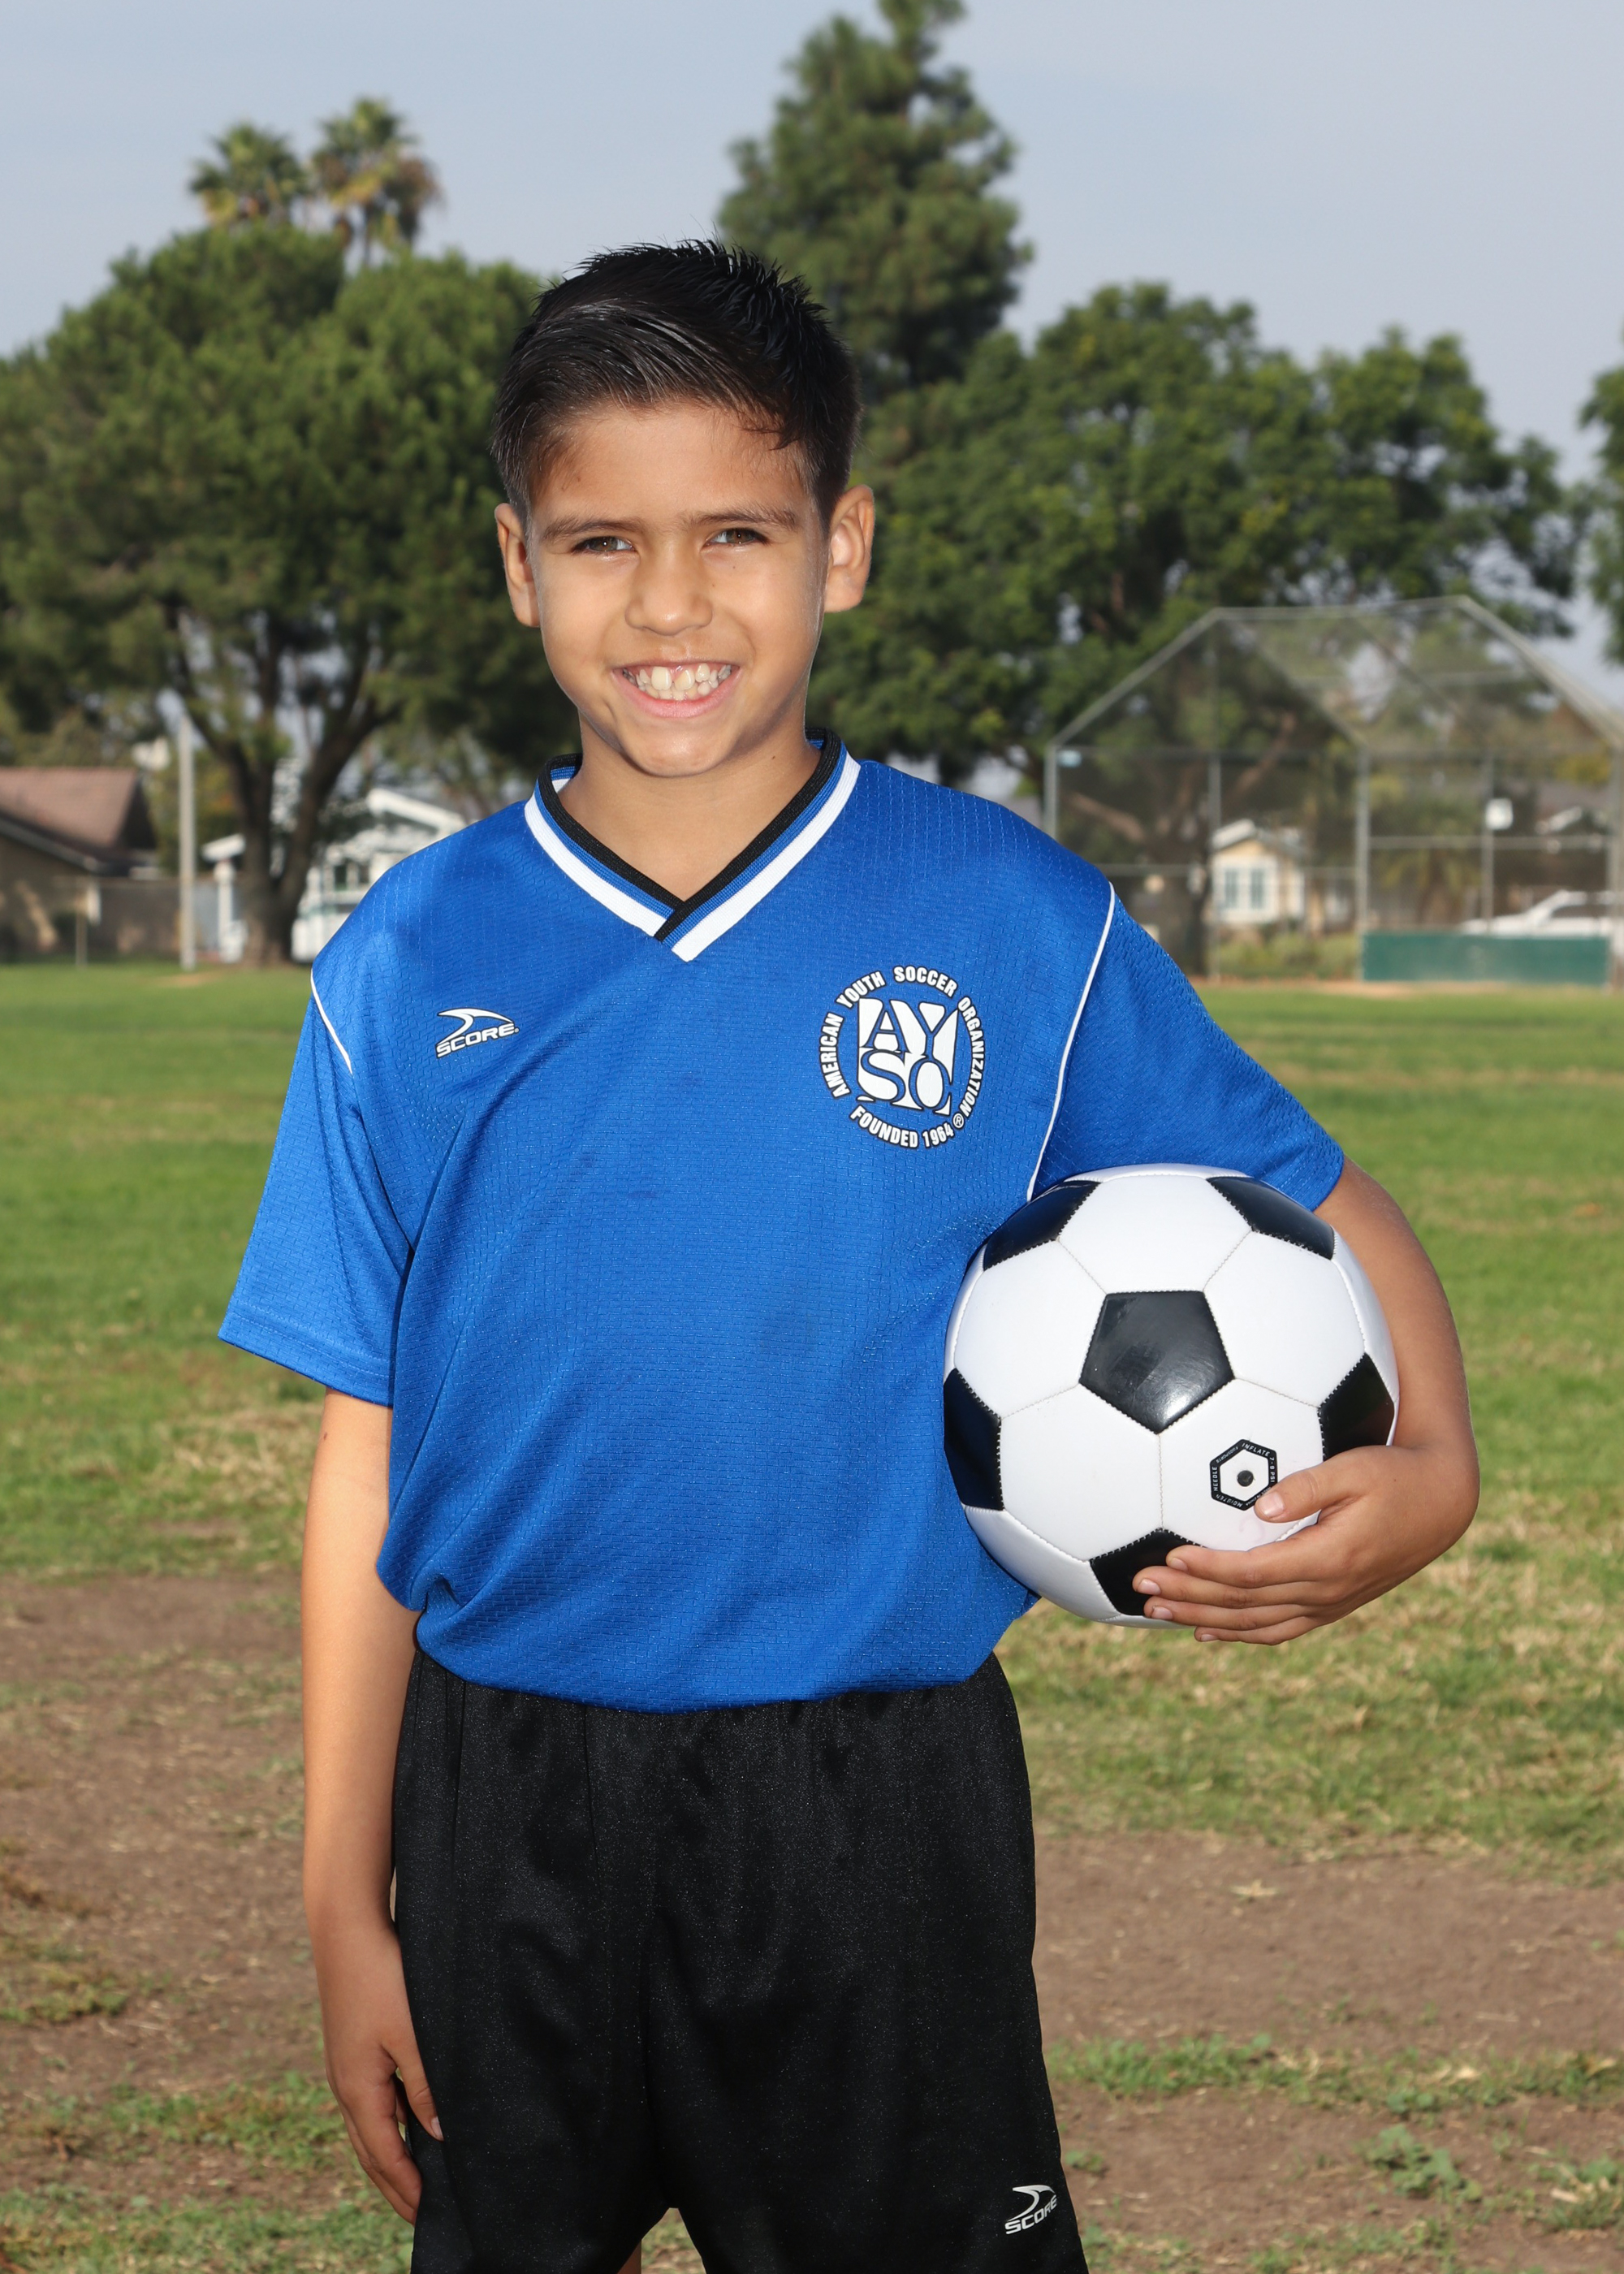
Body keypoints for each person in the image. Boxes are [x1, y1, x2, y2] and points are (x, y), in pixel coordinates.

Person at [221, 242, 1479, 2274]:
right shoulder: (407, 957)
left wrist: (1436, 1462)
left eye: (736, 531)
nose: (672, 603)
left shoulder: (1004, 915)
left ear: (844, 544)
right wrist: (336, 1893)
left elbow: (1315, 1188)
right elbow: (365, 1448)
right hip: (500, 1791)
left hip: (872, 1799)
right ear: (519, 564)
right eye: (603, 540)